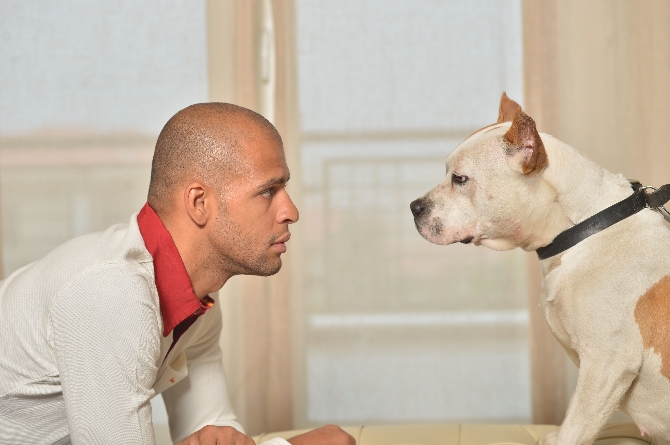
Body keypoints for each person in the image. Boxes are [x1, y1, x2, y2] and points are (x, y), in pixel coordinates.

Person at [0, 103, 355, 445]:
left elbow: (213, 432)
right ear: (199, 203)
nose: (290, 211)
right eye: (268, 191)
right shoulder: (109, 291)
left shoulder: (199, 306)